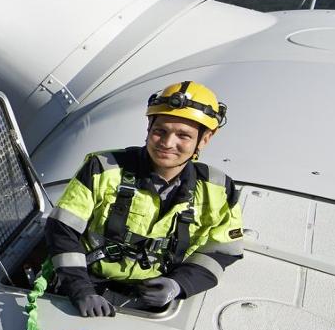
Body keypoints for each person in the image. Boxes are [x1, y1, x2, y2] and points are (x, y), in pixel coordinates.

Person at [44, 80, 244, 317]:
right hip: (90, 286)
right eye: (161, 131)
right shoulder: (102, 169)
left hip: (155, 297)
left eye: (183, 136)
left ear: (205, 139)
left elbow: (224, 250)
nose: (168, 144)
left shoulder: (218, 189)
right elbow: (61, 231)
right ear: (149, 126)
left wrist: (179, 285)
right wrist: (81, 289)